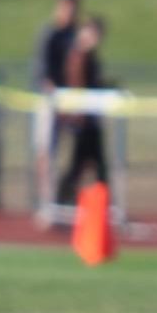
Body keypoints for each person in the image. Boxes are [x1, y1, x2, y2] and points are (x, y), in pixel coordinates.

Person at [31, 0, 81, 218]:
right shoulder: (50, 33)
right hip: (50, 101)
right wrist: (55, 96)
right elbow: (42, 72)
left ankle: (66, 198)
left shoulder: (75, 35)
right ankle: (46, 202)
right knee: (46, 152)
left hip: (71, 101)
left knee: (77, 151)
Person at [54, 15, 110, 207]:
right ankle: (62, 200)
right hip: (82, 119)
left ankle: (101, 203)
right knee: (80, 165)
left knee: (93, 164)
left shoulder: (88, 56)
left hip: (90, 119)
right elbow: (78, 84)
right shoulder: (79, 54)